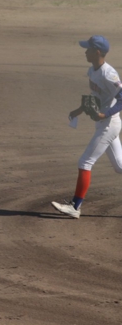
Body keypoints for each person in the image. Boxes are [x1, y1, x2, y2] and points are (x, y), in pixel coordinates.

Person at [52, 35, 122, 218]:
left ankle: (75, 207)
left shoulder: (109, 74)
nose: (85, 51)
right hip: (103, 123)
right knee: (120, 166)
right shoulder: (92, 70)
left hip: (109, 124)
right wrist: (78, 111)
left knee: (85, 162)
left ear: (97, 52)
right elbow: (94, 100)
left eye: (88, 49)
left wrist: (105, 114)